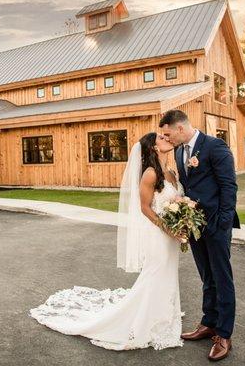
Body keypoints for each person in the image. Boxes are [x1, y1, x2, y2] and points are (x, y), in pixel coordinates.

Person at [29, 132, 188, 350]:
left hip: (171, 236)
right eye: (161, 138)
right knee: (155, 274)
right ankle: (143, 323)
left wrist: (183, 220)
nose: (167, 138)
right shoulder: (150, 174)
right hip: (159, 236)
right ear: (153, 147)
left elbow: (176, 202)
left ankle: (163, 316)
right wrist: (168, 229)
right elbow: (144, 208)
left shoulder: (170, 172)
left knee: (168, 274)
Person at [160, 109, 239, 361]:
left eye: (168, 133)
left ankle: (224, 335)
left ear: (180, 128)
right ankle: (209, 323)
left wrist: (223, 223)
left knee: (222, 278)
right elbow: (189, 186)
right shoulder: (179, 150)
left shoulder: (215, 147)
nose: (166, 138)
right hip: (194, 226)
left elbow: (229, 186)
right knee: (207, 276)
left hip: (216, 224)